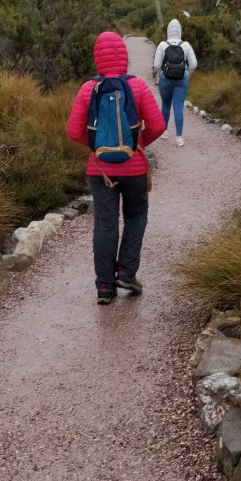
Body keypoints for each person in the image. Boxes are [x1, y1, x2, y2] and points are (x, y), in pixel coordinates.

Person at [67, 31, 164, 305]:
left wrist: (96, 147)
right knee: (136, 216)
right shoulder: (138, 87)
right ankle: (126, 272)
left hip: (100, 170)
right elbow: (158, 125)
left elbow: (73, 131)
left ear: (96, 58)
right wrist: (136, 144)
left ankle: (104, 287)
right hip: (134, 169)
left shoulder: (88, 89)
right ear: (124, 55)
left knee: (105, 224)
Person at [153, 18, 198, 146]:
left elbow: (156, 65)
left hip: (165, 79)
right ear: (180, 31)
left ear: (168, 31)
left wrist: (162, 73)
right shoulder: (186, 45)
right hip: (181, 79)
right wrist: (186, 73)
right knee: (178, 106)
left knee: (166, 105)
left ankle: (164, 132)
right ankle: (179, 137)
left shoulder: (162, 45)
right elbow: (193, 64)